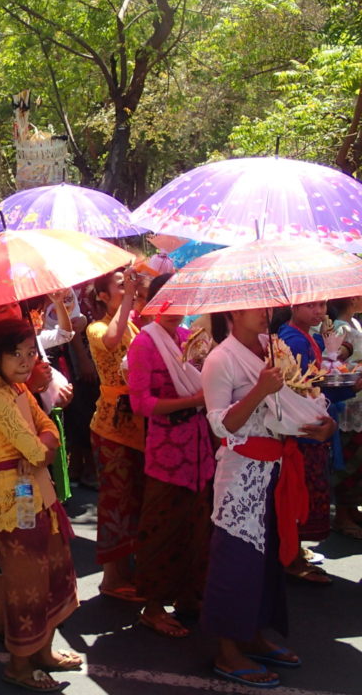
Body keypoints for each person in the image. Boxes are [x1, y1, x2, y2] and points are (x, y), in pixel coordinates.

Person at [201, 306, 334, 687]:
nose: (267, 313)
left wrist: (320, 425)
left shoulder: (272, 348)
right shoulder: (220, 359)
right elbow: (220, 423)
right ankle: (228, 652)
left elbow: (296, 401)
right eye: (258, 308)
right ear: (235, 312)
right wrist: (260, 389)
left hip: (276, 467)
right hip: (242, 472)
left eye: (267, 306)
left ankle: (254, 634)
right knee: (237, 558)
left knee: (268, 559)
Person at [0, 318, 80, 692]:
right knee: (26, 584)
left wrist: (45, 442)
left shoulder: (17, 390)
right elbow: (36, 448)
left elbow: (50, 430)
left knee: (47, 576)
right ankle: (19, 665)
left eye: (31, 352)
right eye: (17, 354)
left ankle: (42, 653)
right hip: (16, 500)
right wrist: (44, 443)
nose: (27, 361)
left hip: (38, 492)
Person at [127, 273, 215, 638]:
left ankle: (188, 597)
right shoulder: (144, 345)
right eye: (165, 301)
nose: (173, 310)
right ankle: (152, 606)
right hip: (166, 450)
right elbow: (141, 403)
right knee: (162, 527)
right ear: (152, 301)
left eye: (180, 301)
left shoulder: (188, 339)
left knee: (198, 527)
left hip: (198, 446)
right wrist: (193, 401)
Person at [276, 301, 359, 582]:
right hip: (304, 428)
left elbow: (317, 381)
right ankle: (292, 556)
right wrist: (350, 386)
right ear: (294, 307)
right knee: (300, 495)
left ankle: (294, 552)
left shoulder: (307, 336)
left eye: (321, 305)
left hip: (313, 424)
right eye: (311, 305)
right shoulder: (293, 340)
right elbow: (305, 390)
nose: (319, 312)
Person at [87, 267, 146, 600]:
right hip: (112, 427)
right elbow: (111, 340)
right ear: (102, 296)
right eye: (121, 287)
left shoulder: (132, 323)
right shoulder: (97, 327)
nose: (129, 290)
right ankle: (112, 579)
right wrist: (129, 303)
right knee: (116, 502)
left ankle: (127, 572)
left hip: (136, 422)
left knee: (133, 499)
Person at [329, 296, 362, 538]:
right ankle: (342, 515)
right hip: (349, 403)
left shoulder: (355, 324)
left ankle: (350, 509)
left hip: (358, 400)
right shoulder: (341, 328)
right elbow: (334, 364)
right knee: (348, 463)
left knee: (357, 461)